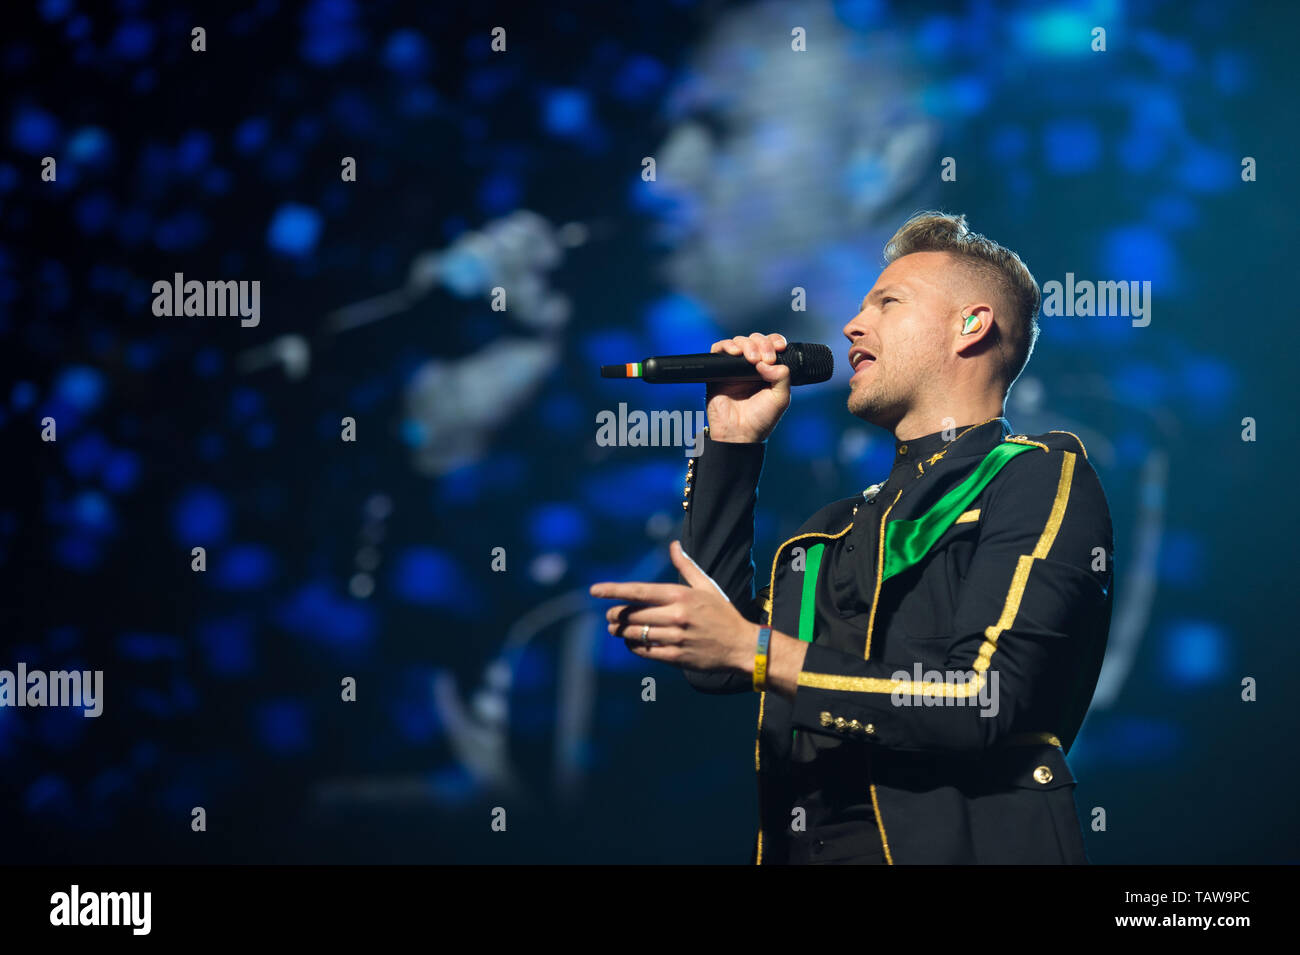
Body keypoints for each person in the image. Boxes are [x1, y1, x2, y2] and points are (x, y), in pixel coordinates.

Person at [589, 211, 1114, 864]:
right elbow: (716, 657)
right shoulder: (831, 531)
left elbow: (983, 699)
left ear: (971, 325)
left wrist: (754, 651)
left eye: (887, 303)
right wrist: (731, 435)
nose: (851, 325)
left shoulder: (1034, 475)